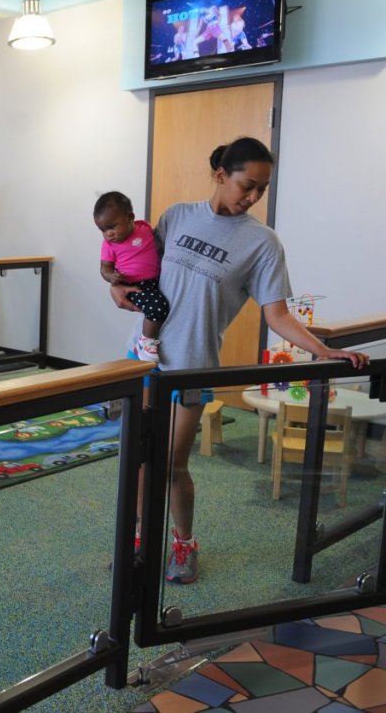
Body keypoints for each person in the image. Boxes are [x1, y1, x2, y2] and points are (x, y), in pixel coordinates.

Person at [109, 136, 370, 585]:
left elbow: (277, 314)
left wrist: (323, 351)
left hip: (191, 366)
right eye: (246, 185)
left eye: (261, 190)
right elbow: (138, 270)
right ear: (220, 175)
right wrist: (115, 287)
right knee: (138, 459)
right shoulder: (176, 216)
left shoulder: (262, 244)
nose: (251, 197)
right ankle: (136, 539)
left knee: (172, 463)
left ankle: (183, 542)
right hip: (143, 359)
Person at [96, 191, 170, 363]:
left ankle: (146, 341)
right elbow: (104, 269)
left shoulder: (144, 228)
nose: (108, 234)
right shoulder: (109, 245)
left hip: (154, 282)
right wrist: (112, 278)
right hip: (133, 286)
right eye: (103, 230)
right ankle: (145, 342)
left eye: (112, 226)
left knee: (161, 303)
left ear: (130, 217)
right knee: (158, 307)